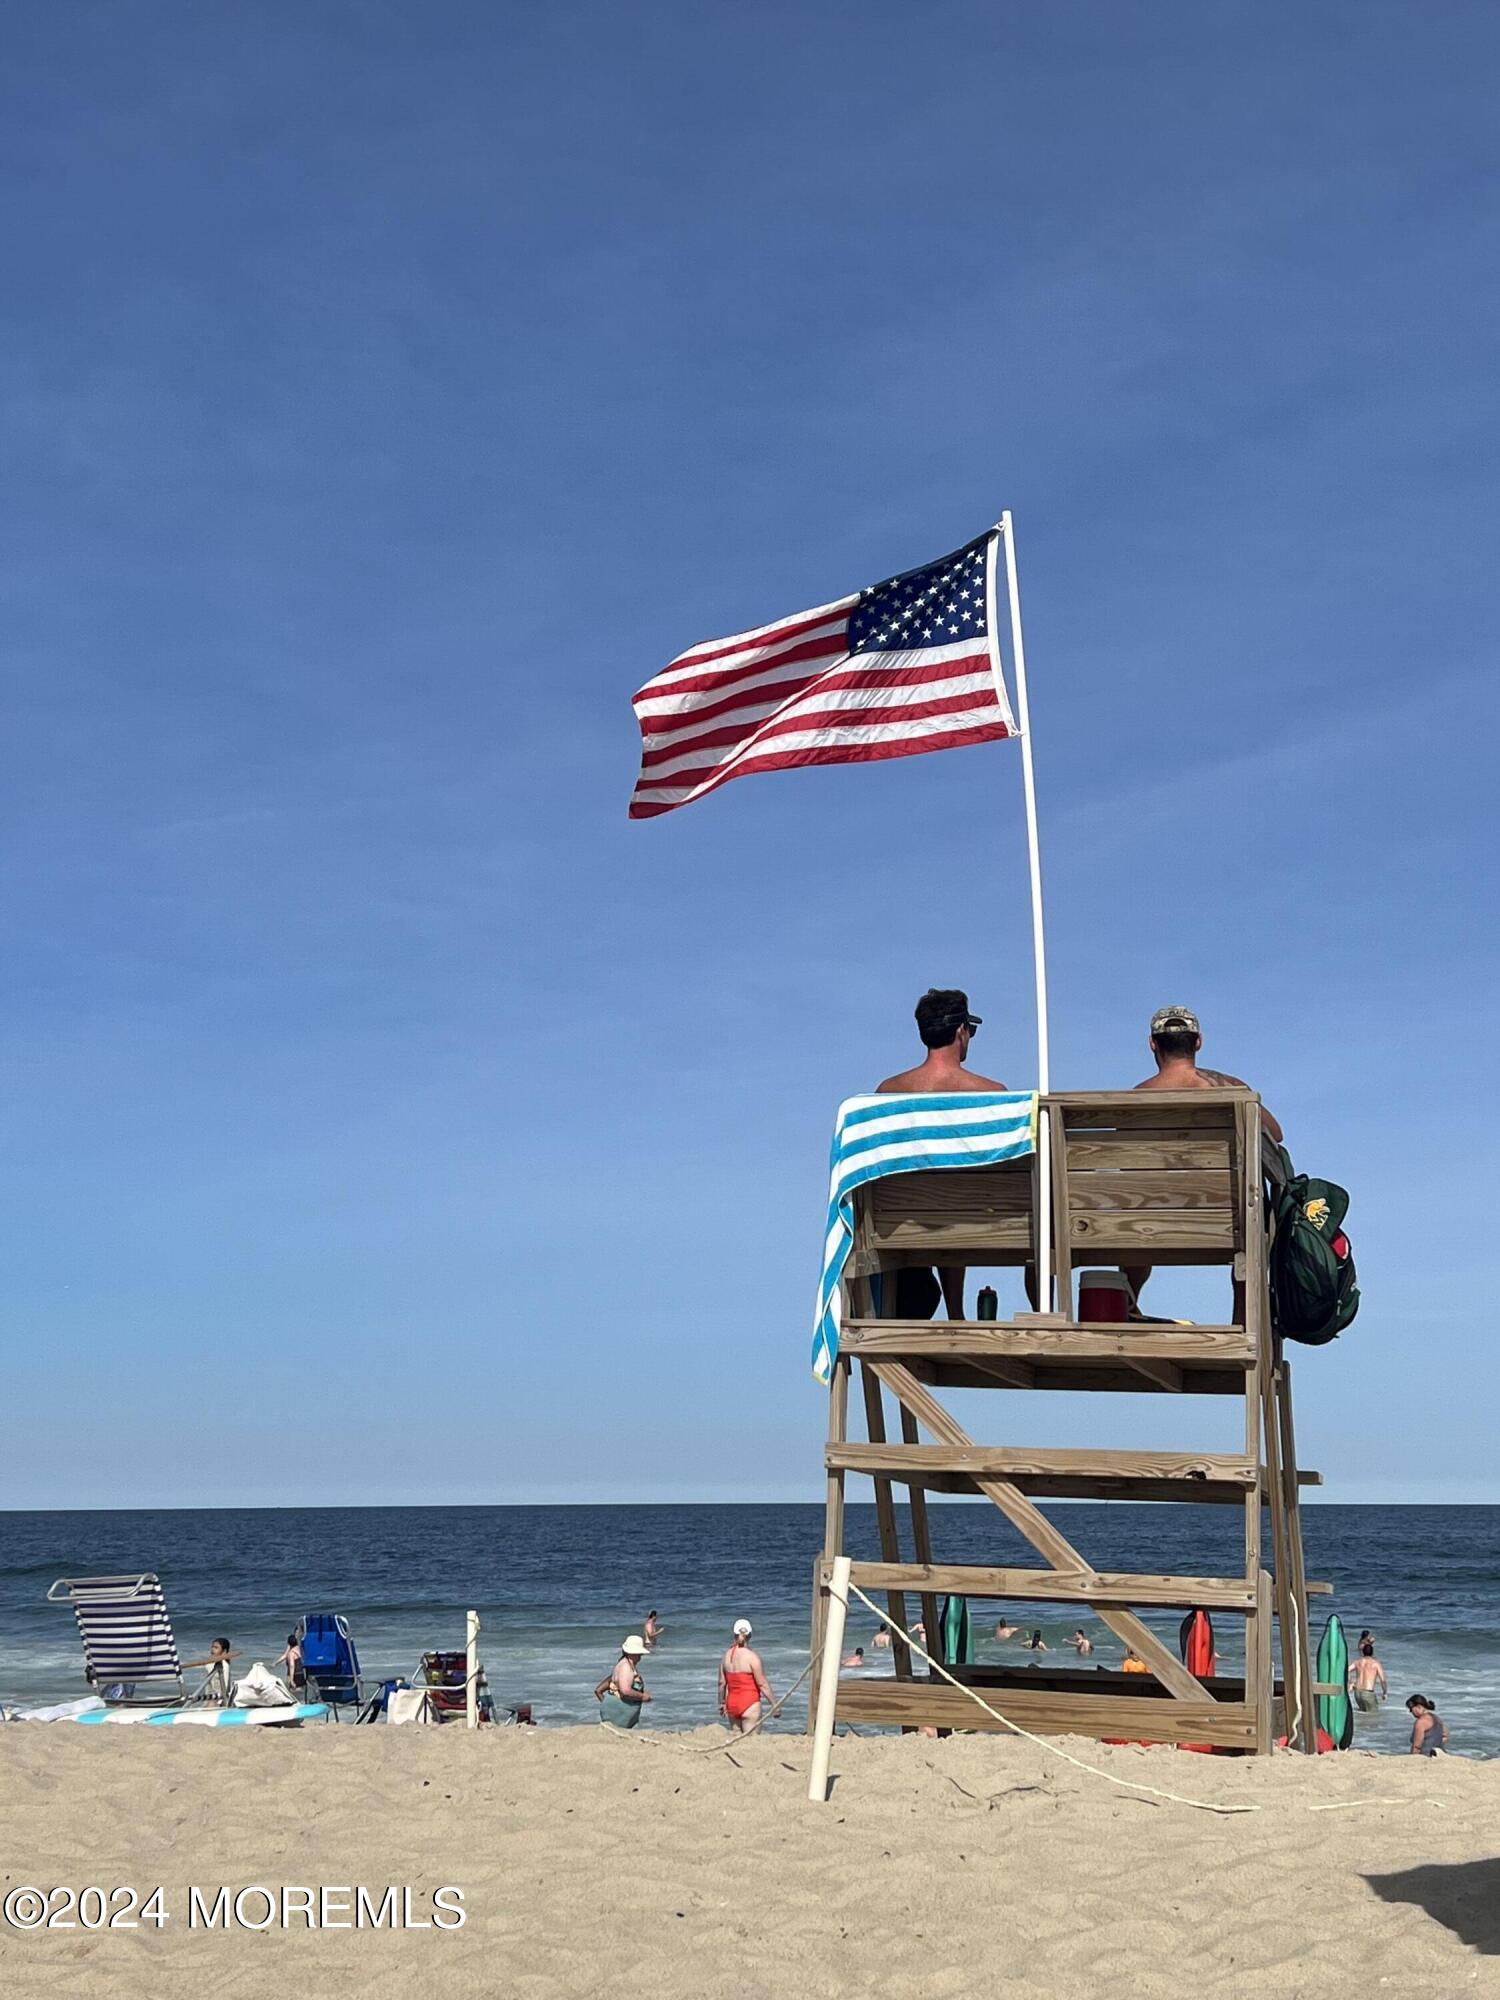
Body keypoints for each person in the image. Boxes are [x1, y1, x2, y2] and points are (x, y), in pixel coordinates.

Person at [1126, 1006, 1284, 1310]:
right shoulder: (1231, 1088)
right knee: (1254, 1216)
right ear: (1198, 1042)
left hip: (1149, 1219)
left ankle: (1129, 1305)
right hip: (1227, 1218)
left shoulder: (1134, 1099)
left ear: (1153, 1044)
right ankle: (1243, 1319)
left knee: (1136, 1199)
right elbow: (1275, 1135)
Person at [877, 989, 1009, 1320]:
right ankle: (955, 1313)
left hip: (897, 1223)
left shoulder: (884, 1094)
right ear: (961, 1030)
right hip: (969, 1219)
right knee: (956, 1198)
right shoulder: (993, 1094)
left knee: (937, 1199)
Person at [718, 1618, 776, 1734]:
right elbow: (762, 1684)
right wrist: (774, 1704)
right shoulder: (752, 1657)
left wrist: (722, 1702)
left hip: (732, 1704)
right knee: (751, 1740)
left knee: (737, 1739)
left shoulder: (726, 1657)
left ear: (734, 1634)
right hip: (750, 1703)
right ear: (750, 1635)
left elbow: (722, 1683)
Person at [594, 1637, 651, 1729]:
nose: (640, 1656)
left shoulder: (624, 1665)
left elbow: (599, 1690)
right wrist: (643, 1696)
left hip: (619, 1709)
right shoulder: (625, 1667)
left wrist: (607, 1703)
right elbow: (625, 1690)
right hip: (619, 1710)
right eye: (639, 1653)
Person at [183, 1637, 238, 1703]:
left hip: (219, 1698)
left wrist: (220, 1700)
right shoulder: (210, 1663)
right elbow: (198, 1666)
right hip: (210, 1696)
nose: (212, 1649)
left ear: (224, 1651)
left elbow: (225, 1687)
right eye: (212, 1647)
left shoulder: (224, 1665)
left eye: (216, 1648)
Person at [1349, 1638, 1388, 1714]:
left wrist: (1351, 1682)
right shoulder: (1375, 1664)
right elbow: (1383, 1680)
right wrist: (1385, 1692)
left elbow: (1346, 1671)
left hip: (1357, 1693)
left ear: (1363, 1652)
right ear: (1372, 1653)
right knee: (1373, 1716)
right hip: (1368, 1692)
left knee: (1363, 1715)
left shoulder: (1357, 1662)